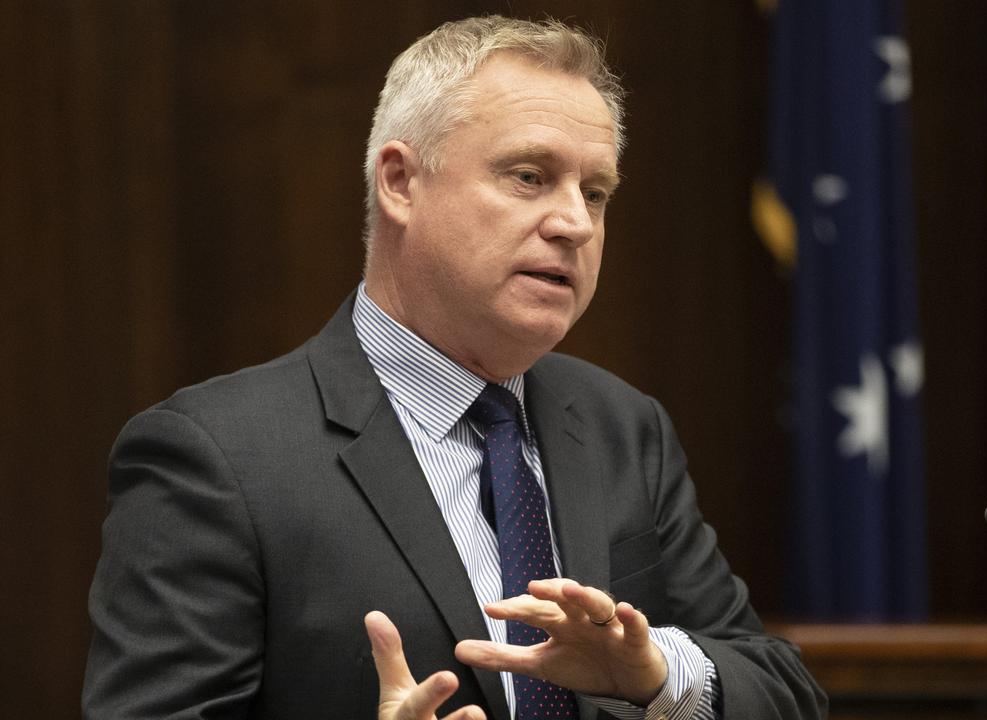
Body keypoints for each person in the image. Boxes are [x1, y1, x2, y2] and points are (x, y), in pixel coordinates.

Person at [83, 15, 826, 720]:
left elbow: (782, 688)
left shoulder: (623, 427)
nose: (574, 223)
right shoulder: (218, 458)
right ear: (401, 182)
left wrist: (655, 676)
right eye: (530, 177)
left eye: (595, 193)